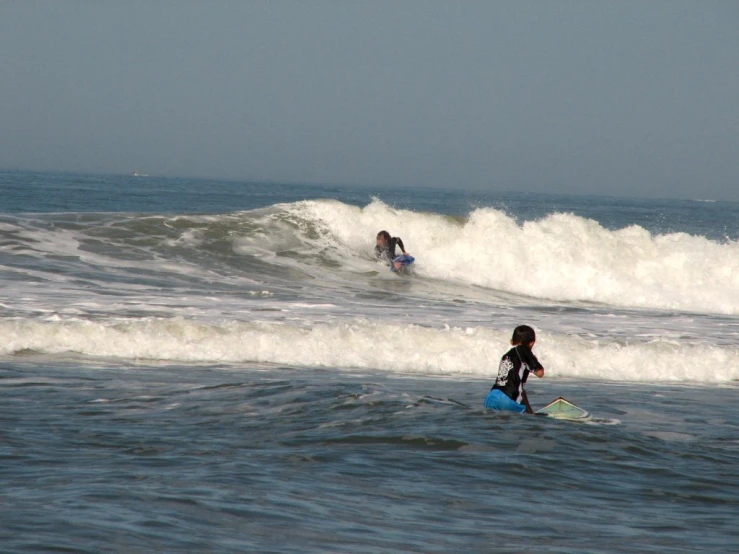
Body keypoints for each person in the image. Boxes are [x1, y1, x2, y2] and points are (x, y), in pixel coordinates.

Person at [483, 325, 545, 414]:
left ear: (512, 341)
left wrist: (531, 413)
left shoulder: (506, 356)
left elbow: (521, 391)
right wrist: (534, 360)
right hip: (506, 400)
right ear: (531, 343)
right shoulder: (524, 350)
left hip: (491, 398)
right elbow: (540, 373)